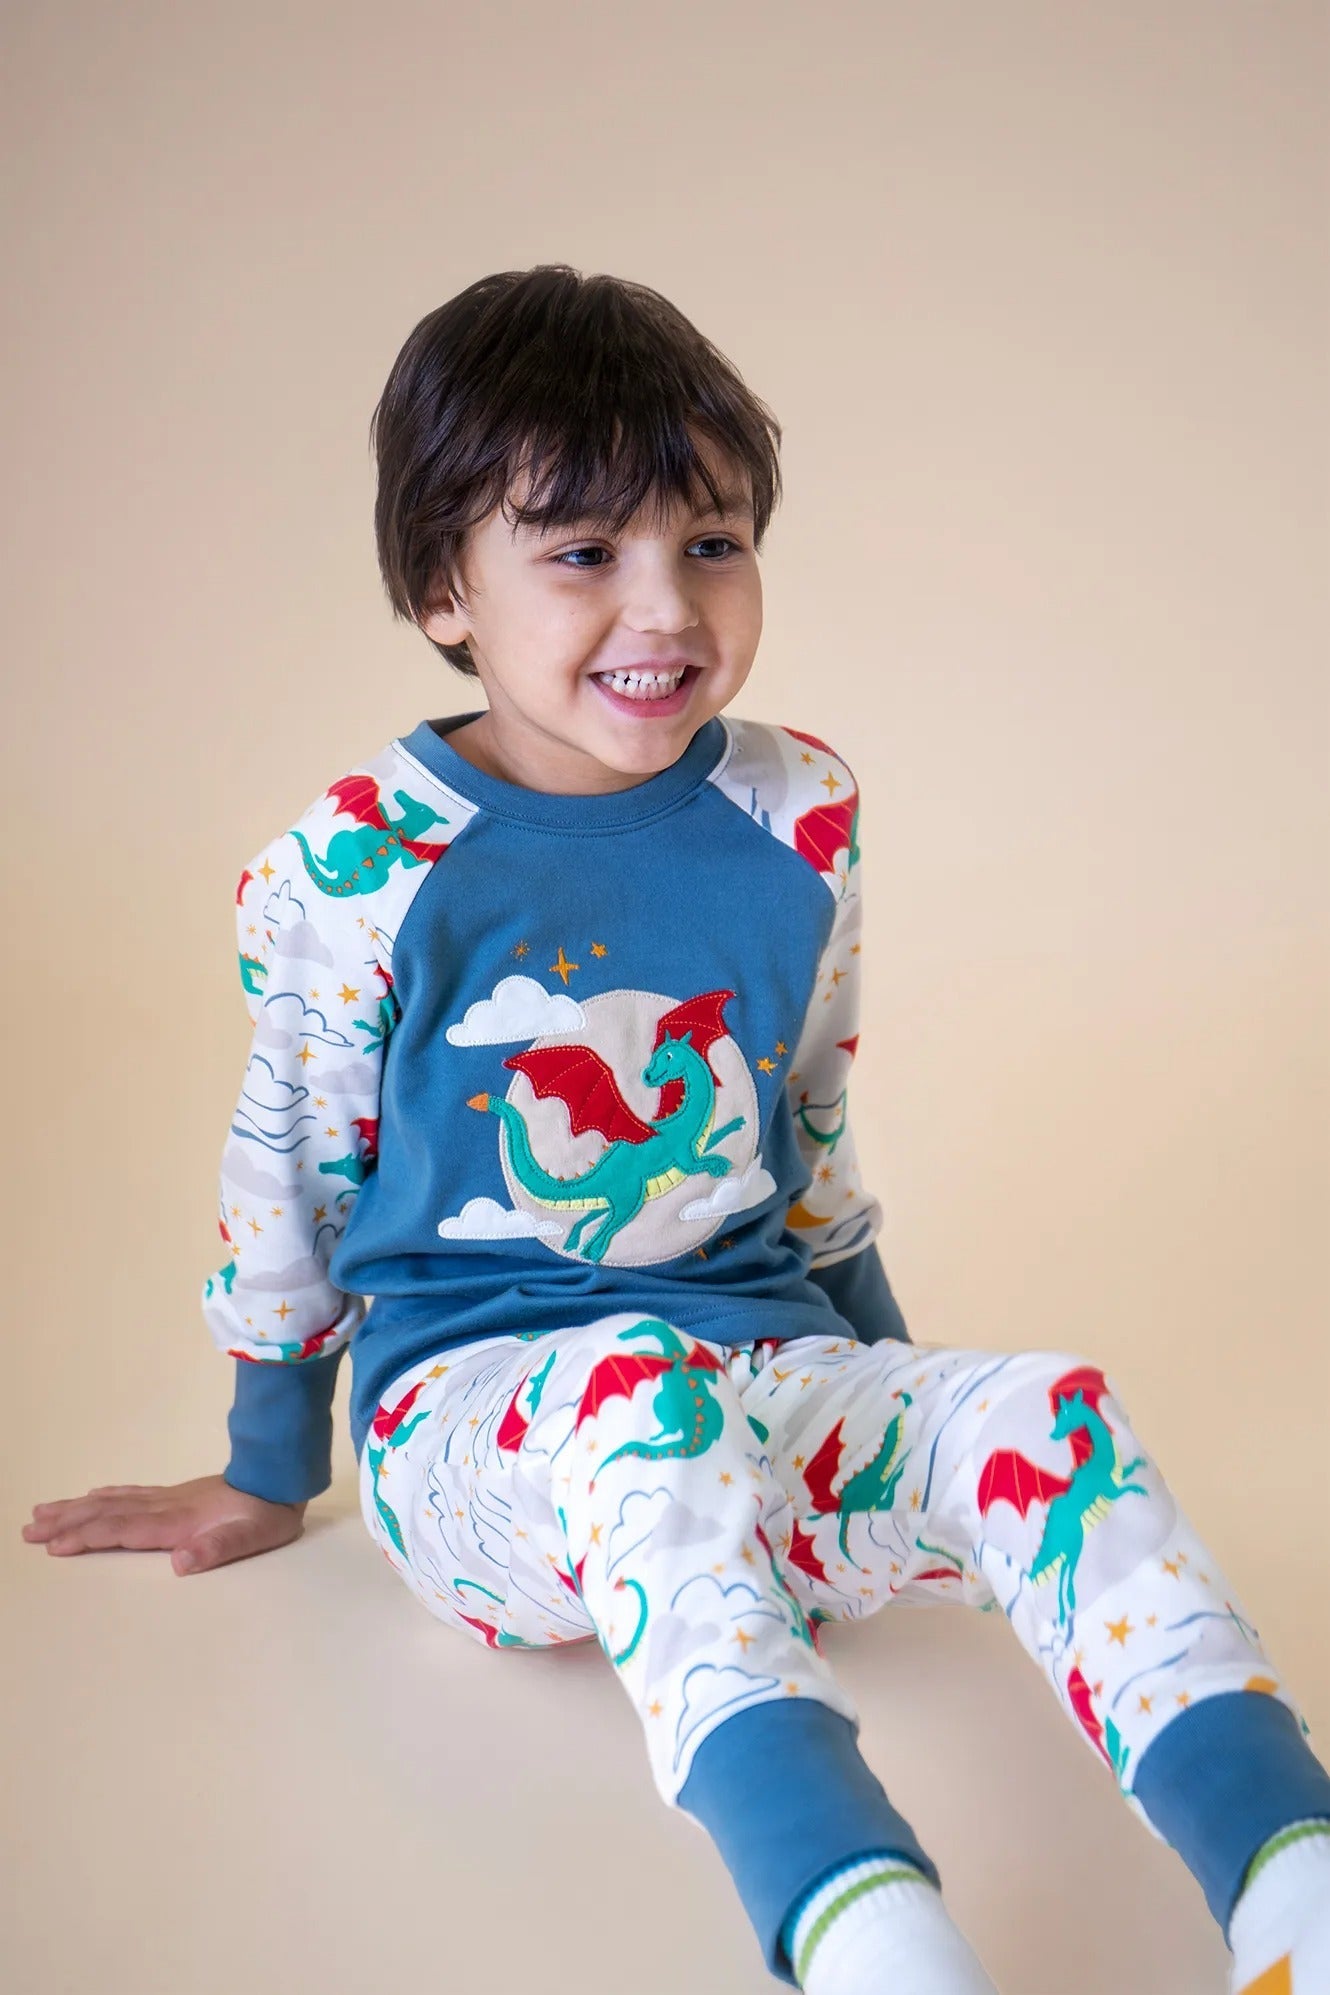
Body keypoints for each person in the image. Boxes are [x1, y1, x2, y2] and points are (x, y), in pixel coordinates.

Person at [21, 264, 1330, 1994]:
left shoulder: (799, 811)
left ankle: (1293, 1900)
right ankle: (874, 1941)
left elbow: (807, 1123)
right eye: (581, 554)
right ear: (442, 591)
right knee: (641, 1412)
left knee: (1040, 1403)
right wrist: (275, 1462)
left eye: (709, 543)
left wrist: (906, 1403)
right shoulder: (358, 865)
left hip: (756, 1370)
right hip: (482, 1431)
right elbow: (292, 1169)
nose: (666, 608)